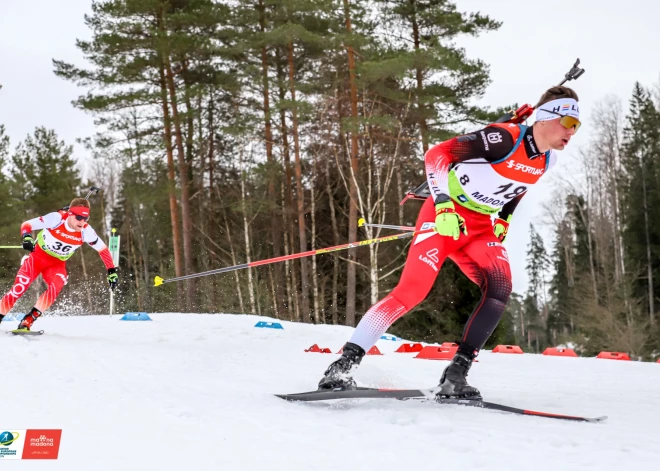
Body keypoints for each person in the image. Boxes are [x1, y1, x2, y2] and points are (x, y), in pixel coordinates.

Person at [318, 86, 581, 399]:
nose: (572, 132)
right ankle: (343, 366)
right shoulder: (503, 138)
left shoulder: (547, 161)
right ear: (545, 117)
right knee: (411, 291)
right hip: (445, 217)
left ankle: (455, 374)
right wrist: (442, 204)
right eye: (568, 123)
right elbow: (437, 155)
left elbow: (519, 185)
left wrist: (504, 218)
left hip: (481, 227)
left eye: (577, 126)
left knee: (500, 286)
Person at [0, 198, 118, 331]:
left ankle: (28, 321)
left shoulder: (86, 231)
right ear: (70, 214)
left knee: (56, 286)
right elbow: (27, 224)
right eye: (79, 217)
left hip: (56, 264)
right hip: (37, 258)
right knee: (19, 288)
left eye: (86, 218)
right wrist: (27, 237)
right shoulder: (56, 219)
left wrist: (111, 271)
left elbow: (103, 250)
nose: (82, 222)